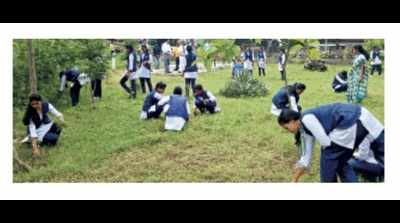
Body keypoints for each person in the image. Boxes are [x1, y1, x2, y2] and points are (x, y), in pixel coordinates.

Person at [277, 103, 384, 183]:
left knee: (327, 162)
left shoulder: (306, 118)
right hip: (360, 121)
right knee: (341, 163)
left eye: (286, 128)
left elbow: (325, 142)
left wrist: (294, 179)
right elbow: (306, 158)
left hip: (349, 123)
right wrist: (295, 179)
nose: (288, 131)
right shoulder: (304, 129)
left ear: (292, 121)